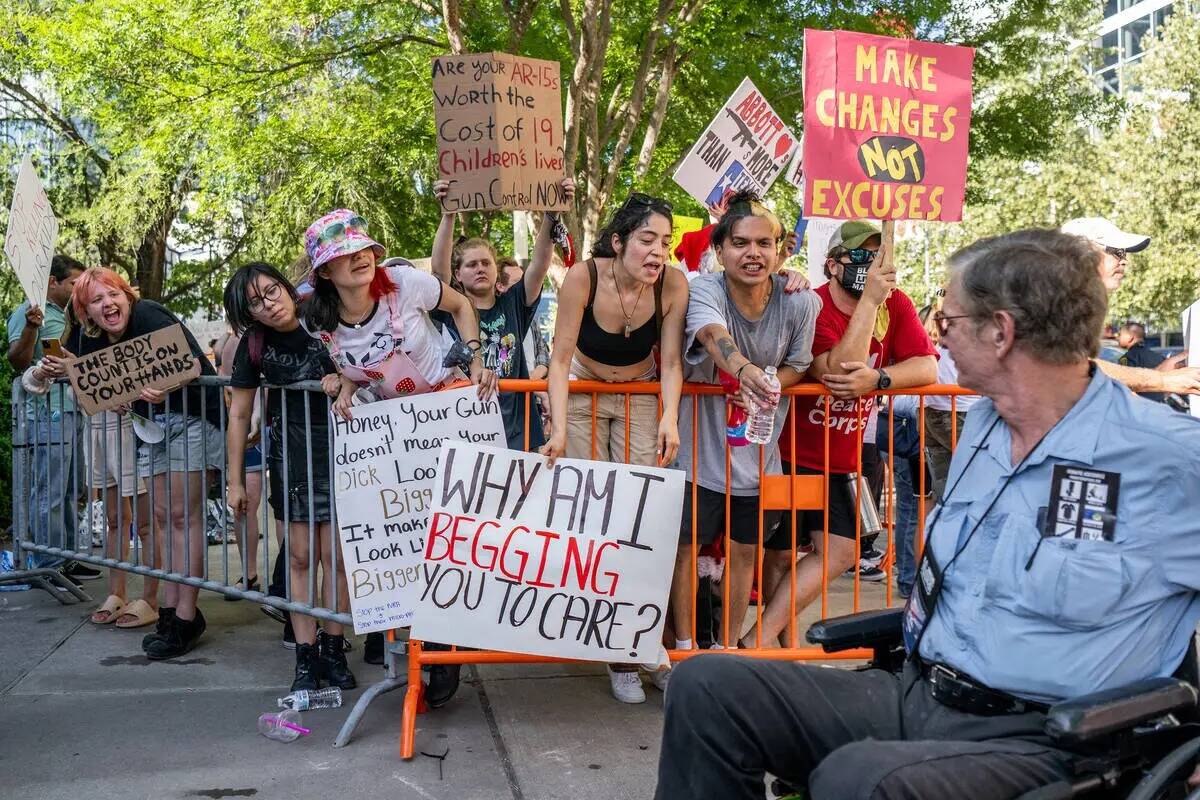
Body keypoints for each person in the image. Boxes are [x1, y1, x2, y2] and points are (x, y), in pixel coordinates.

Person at [656, 228, 1200, 800]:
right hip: (925, 692)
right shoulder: (986, 425)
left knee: (856, 778)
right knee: (705, 686)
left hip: (1056, 739)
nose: (938, 341)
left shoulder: (1163, 458)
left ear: (1000, 333)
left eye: (947, 323)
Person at [301, 208, 495, 699]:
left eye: (363, 248)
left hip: (446, 420)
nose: (360, 258)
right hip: (392, 440)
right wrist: (342, 384)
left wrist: (474, 356)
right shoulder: (318, 321)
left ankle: (445, 651)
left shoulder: (407, 284)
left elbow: (462, 308)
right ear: (326, 271)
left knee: (454, 536)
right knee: (410, 544)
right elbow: (359, 364)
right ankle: (423, 650)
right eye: (345, 255)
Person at [540, 191, 689, 703]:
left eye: (665, 242)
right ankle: (617, 652)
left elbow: (671, 363)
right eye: (647, 239)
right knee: (595, 516)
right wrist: (558, 429)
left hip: (642, 395)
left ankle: (647, 643)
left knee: (639, 522)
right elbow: (558, 360)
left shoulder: (673, 283)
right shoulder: (584, 276)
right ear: (619, 241)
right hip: (581, 390)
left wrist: (669, 416)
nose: (657, 252)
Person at [759, 220, 936, 648]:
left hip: (848, 458)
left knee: (843, 551)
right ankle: (783, 648)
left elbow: (927, 367)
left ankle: (757, 639)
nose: (871, 266)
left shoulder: (897, 305)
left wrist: (880, 378)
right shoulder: (812, 305)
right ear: (833, 264)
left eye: (877, 257)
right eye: (860, 256)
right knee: (781, 554)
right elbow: (837, 370)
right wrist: (870, 303)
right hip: (794, 451)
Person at [37, 268, 225, 658]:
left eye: (113, 295)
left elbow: (193, 364)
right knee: (162, 517)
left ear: (127, 295)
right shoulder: (95, 339)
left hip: (190, 419)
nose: (108, 304)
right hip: (148, 427)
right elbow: (97, 386)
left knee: (181, 517)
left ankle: (186, 615)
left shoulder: (150, 314)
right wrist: (68, 370)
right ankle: (171, 611)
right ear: (86, 312)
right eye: (97, 300)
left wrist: (165, 386)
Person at [669, 191, 819, 651]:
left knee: (743, 556)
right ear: (720, 250)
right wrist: (745, 372)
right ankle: (688, 647)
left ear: (781, 250)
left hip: (760, 460)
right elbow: (712, 335)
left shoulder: (801, 303)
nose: (752, 253)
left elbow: (800, 364)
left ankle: (728, 650)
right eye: (740, 243)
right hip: (697, 459)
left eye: (763, 244)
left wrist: (769, 383)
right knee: (683, 554)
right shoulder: (704, 290)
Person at [224, 261, 358, 692]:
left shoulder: (325, 315)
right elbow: (239, 413)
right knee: (299, 559)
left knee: (336, 559)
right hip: (290, 462)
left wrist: (347, 380)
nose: (269, 305)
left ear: (285, 286)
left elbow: (370, 364)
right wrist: (235, 480)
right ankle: (306, 657)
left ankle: (335, 650)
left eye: (272, 291)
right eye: (256, 303)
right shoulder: (254, 343)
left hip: (346, 454)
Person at [430, 178, 575, 450]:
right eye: (471, 265)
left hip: (518, 430)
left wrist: (552, 216)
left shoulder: (513, 303)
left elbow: (539, 265)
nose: (480, 268)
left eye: (486, 263)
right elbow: (438, 272)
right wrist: (448, 215)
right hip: (467, 429)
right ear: (458, 274)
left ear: (496, 271)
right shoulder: (451, 307)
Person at [7, 254, 100, 581]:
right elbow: (18, 360)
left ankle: (67, 557)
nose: (79, 290)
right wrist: (34, 328)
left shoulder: (64, 315)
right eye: (74, 284)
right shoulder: (28, 313)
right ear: (53, 282)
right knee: (49, 490)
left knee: (70, 490)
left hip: (71, 411)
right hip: (47, 415)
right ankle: (48, 565)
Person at [1061, 216, 1200, 395]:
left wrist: (1160, 375)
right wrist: (1161, 380)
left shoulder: (1079, 305)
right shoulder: (1054, 303)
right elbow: (1074, 368)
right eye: (1117, 252)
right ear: (1081, 254)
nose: (1124, 260)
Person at [1117, 321, 1167, 402]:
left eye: (1120, 334)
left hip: (1139, 408)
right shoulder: (1158, 356)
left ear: (1130, 337)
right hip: (1159, 406)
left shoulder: (1128, 358)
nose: (1117, 337)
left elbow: (1126, 387)